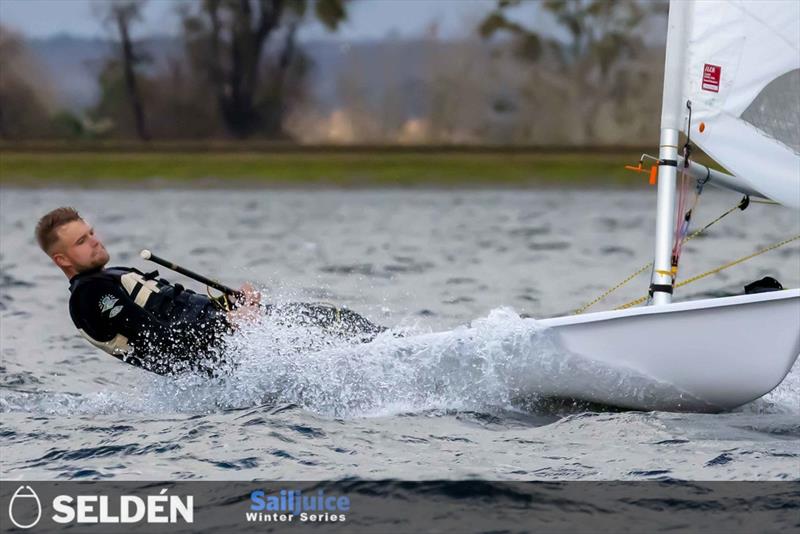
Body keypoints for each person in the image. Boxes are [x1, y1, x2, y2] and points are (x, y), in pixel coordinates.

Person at [35, 207, 384, 377]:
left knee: (335, 319)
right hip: (225, 355)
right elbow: (157, 339)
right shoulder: (90, 297)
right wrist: (231, 324)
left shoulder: (106, 277)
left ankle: (392, 348)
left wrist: (231, 304)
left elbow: (174, 309)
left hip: (233, 335)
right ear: (62, 259)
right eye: (83, 241)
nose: (95, 241)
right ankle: (393, 355)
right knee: (332, 327)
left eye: (92, 232)